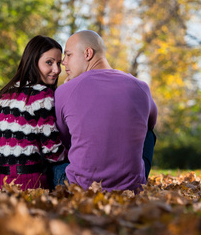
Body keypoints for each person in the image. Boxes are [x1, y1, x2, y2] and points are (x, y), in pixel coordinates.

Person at [53, 30, 157, 192]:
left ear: (88, 53)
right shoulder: (140, 86)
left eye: (68, 55)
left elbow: (63, 139)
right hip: (131, 189)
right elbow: (150, 124)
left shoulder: (65, 91)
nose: (63, 62)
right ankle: (129, 179)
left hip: (80, 188)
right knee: (148, 133)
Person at [0, 35, 66, 190]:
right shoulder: (42, 94)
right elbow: (52, 152)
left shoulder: (6, 92)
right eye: (49, 62)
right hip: (21, 180)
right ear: (33, 61)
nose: (57, 70)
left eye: (59, 63)